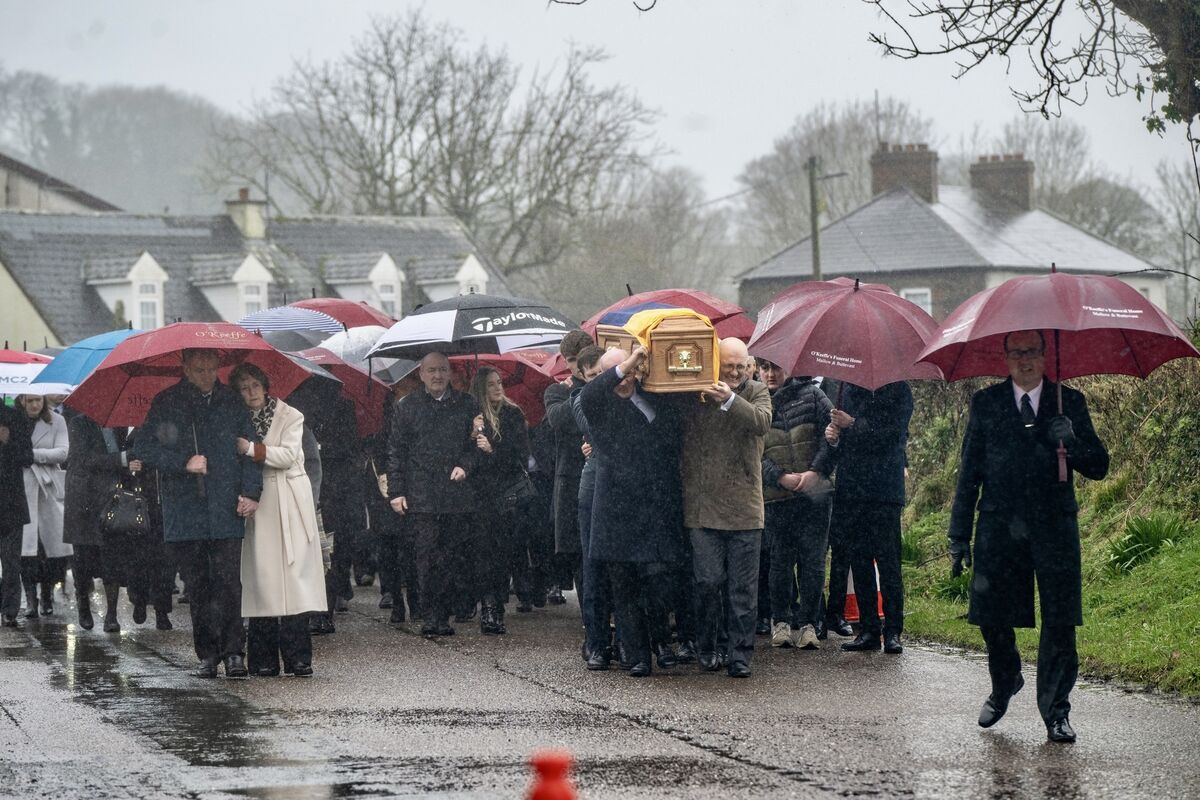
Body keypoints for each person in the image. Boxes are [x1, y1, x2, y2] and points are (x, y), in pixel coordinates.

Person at [948, 329, 1109, 743]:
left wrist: (1070, 441)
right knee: (990, 615)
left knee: (1059, 620)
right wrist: (958, 535)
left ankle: (1056, 711)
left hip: (1054, 525)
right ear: (1005, 357)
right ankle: (1006, 681)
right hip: (999, 525)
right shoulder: (986, 404)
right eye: (1016, 352)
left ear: (1045, 355)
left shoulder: (1068, 403)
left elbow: (1099, 466)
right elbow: (969, 473)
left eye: (1032, 351)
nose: (1024, 360)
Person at [134, 348, 263, 679]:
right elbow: (144, 448)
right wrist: (182, 461)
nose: (207, 376)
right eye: (200, 370)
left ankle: (235, 652)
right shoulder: (167, 401)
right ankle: (207, 654)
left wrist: (251, 492)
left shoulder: (231, 401)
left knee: (229, 583)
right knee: (199, 585)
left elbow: (249, 448)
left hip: (224, 505)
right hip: (186, 509)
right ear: (186, 369)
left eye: (211, 369)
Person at [578, 346, 684, 677]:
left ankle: (659, 641)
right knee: (623, 589)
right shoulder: (600, 405)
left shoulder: (654, 398)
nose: (626, 378)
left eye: (632, 372)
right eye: (620, 372)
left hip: (654, 507)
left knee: (657, 583)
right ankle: (638, 656)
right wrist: (623, 366)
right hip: (617, 511)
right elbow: (589, 394)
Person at [681, 338, 772, 678]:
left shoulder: (756, 393)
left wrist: (730, 399)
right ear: (715, 364)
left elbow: (762, 422)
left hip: (746, 510)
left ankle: (740, 655)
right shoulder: (695, 395)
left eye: (740, 367)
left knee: (743, 589)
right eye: (728, 366)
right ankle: (708, 646)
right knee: (707, 582)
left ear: (749, 367)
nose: (734, 373)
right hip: (703, 508)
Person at [231, 363, 326, 678]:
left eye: (255, 384)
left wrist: (250, 449)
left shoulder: (291, 415)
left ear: (265, 385)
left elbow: (287, 456)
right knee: (263, 580)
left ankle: (299, 657)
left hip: (289, 499)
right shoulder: (236, 419)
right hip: (258, 503)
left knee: (294, 579)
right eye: (244, 387)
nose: (251, 392)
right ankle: (262, 658)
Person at [386, 351, 480, 636]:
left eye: (442, 370)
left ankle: (445, 614)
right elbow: (396, 452)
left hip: (455, 494)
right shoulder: (407, 407)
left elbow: (475, 446)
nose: (437, 376)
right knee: (426, 557)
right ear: (421, 374)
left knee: (452, 557)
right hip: (421, 494)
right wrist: (396, 491)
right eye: (431, 371)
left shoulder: (467, 404)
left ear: (450, 373)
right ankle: (431, 615)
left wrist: (465, 465)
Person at [825, 380, 913, 655]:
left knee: (888, 562)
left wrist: (853, 424)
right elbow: (842, 445)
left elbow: (893, 434)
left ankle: (893, 630)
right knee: (859, 559)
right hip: (852, 487)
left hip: (884, 488)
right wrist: (835, 437)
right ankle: (869, 628)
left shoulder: (899, 390)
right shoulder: (846, 389)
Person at [64, 415, 173, 632]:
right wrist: (122, 459)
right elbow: (83, 460)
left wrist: (132, 464)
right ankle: (83, 602)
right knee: (83, 560)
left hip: (112, 500)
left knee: (111, 558)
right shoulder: (78, 423)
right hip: (84, 502)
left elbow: (129, 454)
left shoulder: (119, 425)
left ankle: (111, 615)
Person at [758, 359, 836, 651]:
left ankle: (809, 624)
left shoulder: (814, 395)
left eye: (775, 367)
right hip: (777, 497)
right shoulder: (756, 400)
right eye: (763, 367)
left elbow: (832, 436)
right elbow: (753, 450)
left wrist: (815, 471)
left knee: (813, 563)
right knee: (779, 561)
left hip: (815, 495)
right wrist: (779, 477)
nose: (770, 374)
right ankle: (780, 621)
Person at [467, 366, 531, 634]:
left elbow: (520, 454)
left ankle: (498, 605)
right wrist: (473, 437)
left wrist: (493, 448)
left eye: (499, 382)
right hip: (478, 496)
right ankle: (488, 605)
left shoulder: (513, 414)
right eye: (491, 384)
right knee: (482, 552)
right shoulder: (472, 415)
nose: (497, 388)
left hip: (505, 494)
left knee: (502, 552)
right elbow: (461, 456)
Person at [543, 329, 594, 604]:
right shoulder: (556, 390)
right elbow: (559, 420)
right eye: (573, 359)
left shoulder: (606, 383)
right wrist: (584, 391)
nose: (578, 365)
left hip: (601, 476)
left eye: (583, 358)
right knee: (578, 553)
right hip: (572, 477)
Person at [17, 395, 71, 618]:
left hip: (48, 489)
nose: (34, 405)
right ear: (22, 401)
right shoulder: (13, 421)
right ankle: (31, 597)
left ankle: (47, 594)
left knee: (52, 549)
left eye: (38, 400)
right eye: (30, 401)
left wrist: (31, 455)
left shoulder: (57, 421)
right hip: (21, 488)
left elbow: (63, 452)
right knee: (26, 549)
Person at [0, 402, 34, 627]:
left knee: (11, 561)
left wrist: (7, 442)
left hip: (10, 500)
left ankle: (10, 610)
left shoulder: (15, 418)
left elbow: (27, 457)